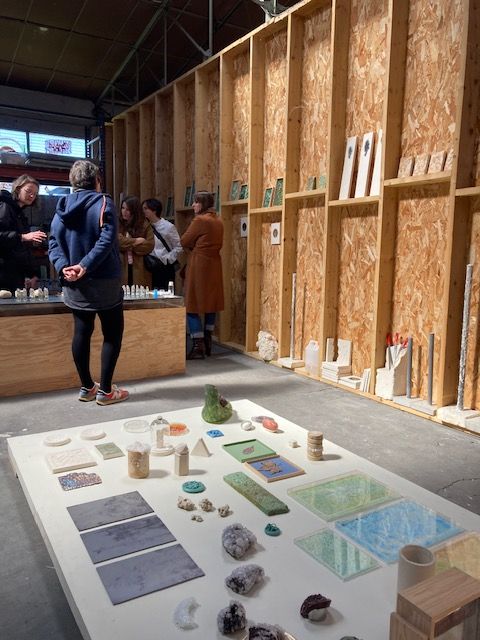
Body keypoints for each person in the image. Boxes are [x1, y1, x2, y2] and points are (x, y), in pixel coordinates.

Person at [48, 159, 128, 405]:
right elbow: (107, 239)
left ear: (72, 182)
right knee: (112, 333)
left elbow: (53, 242)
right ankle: (106, 392)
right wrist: (84, 265)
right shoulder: (103, 202)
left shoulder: (61, 207)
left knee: (81, 332)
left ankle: (87, 388)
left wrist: (64, 267)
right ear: (97, 180)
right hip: (104, 280)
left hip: (74, 282)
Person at [180, 190, 224, 359]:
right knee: (211, 302)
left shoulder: (200, 220)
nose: (193, 205)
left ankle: (198, 345)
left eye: (196, 202)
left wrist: (193, 246)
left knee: (192, 303)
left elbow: (184, 240)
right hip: (215, 264)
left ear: (202, 204)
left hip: (199, 265)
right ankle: (208, 340)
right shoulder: (218, 220)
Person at [0, 175, 46, 293]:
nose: (32, 196)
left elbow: (22, 250)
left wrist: (32, 274)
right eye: (28, 191)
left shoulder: (19, 214)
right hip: (3, 275)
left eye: (35, 194)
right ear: (17, 189)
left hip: (14, 274)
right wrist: (23, 237)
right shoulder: (5, 206)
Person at [142, 197, 182, 291]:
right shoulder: (144, 226)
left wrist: (168, 258)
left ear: (154, 210)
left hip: (164, 266)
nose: (143, 211)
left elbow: (179, 246)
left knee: (164, 292)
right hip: (148, 265)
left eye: (146, 208)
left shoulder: (168, 227)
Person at [118, 196, 154, 287]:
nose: (124, 212)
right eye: (123, 208)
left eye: (128, 209)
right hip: (121, 266)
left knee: (139, 291)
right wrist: (136, 241)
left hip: (140, 267)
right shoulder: (118, 223)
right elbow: (117, 242)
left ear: (134, 211)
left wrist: (128, 245)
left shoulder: (144, 224)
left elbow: (149, 245)